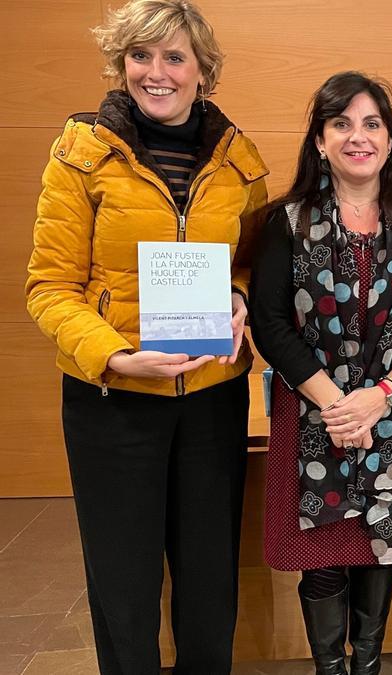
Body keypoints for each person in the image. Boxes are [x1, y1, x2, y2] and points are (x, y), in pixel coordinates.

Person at [24, 1, 267, 672]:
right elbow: (48, 284)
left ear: (202, 70)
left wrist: (240, 296)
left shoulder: (239, 160)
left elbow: (250, 257)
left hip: (212, 398)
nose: (155, 72)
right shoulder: (81, 153)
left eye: (173, 57)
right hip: (113, 401)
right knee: (124, 588)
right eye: (140, 55)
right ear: (120, 61)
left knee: (209, 586)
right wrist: (118, 354)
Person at [249, 71, 392, 675]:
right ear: (319, 141)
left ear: (390, 140)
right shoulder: (285, 222)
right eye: (341, 124)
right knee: (325, 554)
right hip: (315, 414)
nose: (357, 137)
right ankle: (328, 670)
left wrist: (379, 398)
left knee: (379, 544)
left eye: (371, 124)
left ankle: (367, 665)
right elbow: (270, 323)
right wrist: (340, 404)